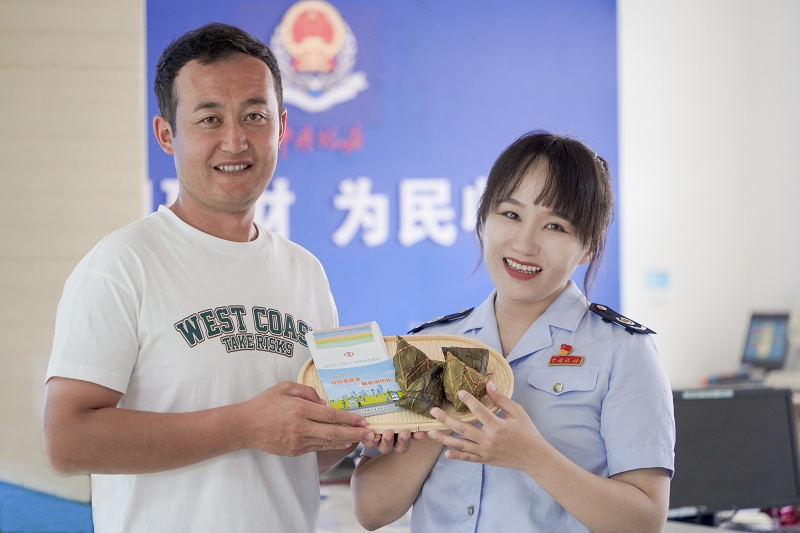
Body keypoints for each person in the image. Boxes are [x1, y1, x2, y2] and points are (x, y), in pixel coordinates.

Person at [42, 22, 406, 532]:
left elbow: (299, 456)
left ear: (280, 126)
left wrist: (366, 429)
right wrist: (243, 426)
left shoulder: (304, 271)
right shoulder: (122, 264)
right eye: (209, 119)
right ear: (166, 135)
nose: (235, 141)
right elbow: (67, 442)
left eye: (254, 116)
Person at [350, 130, 676, 532]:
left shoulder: (623, 350)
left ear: (589, 247)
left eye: (555, 226)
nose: (525, 243)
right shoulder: (426, 347)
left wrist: (531, 456)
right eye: (511, 214)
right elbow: (371, 512)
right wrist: (441, 417)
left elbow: (645, 522)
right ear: (483, 219)